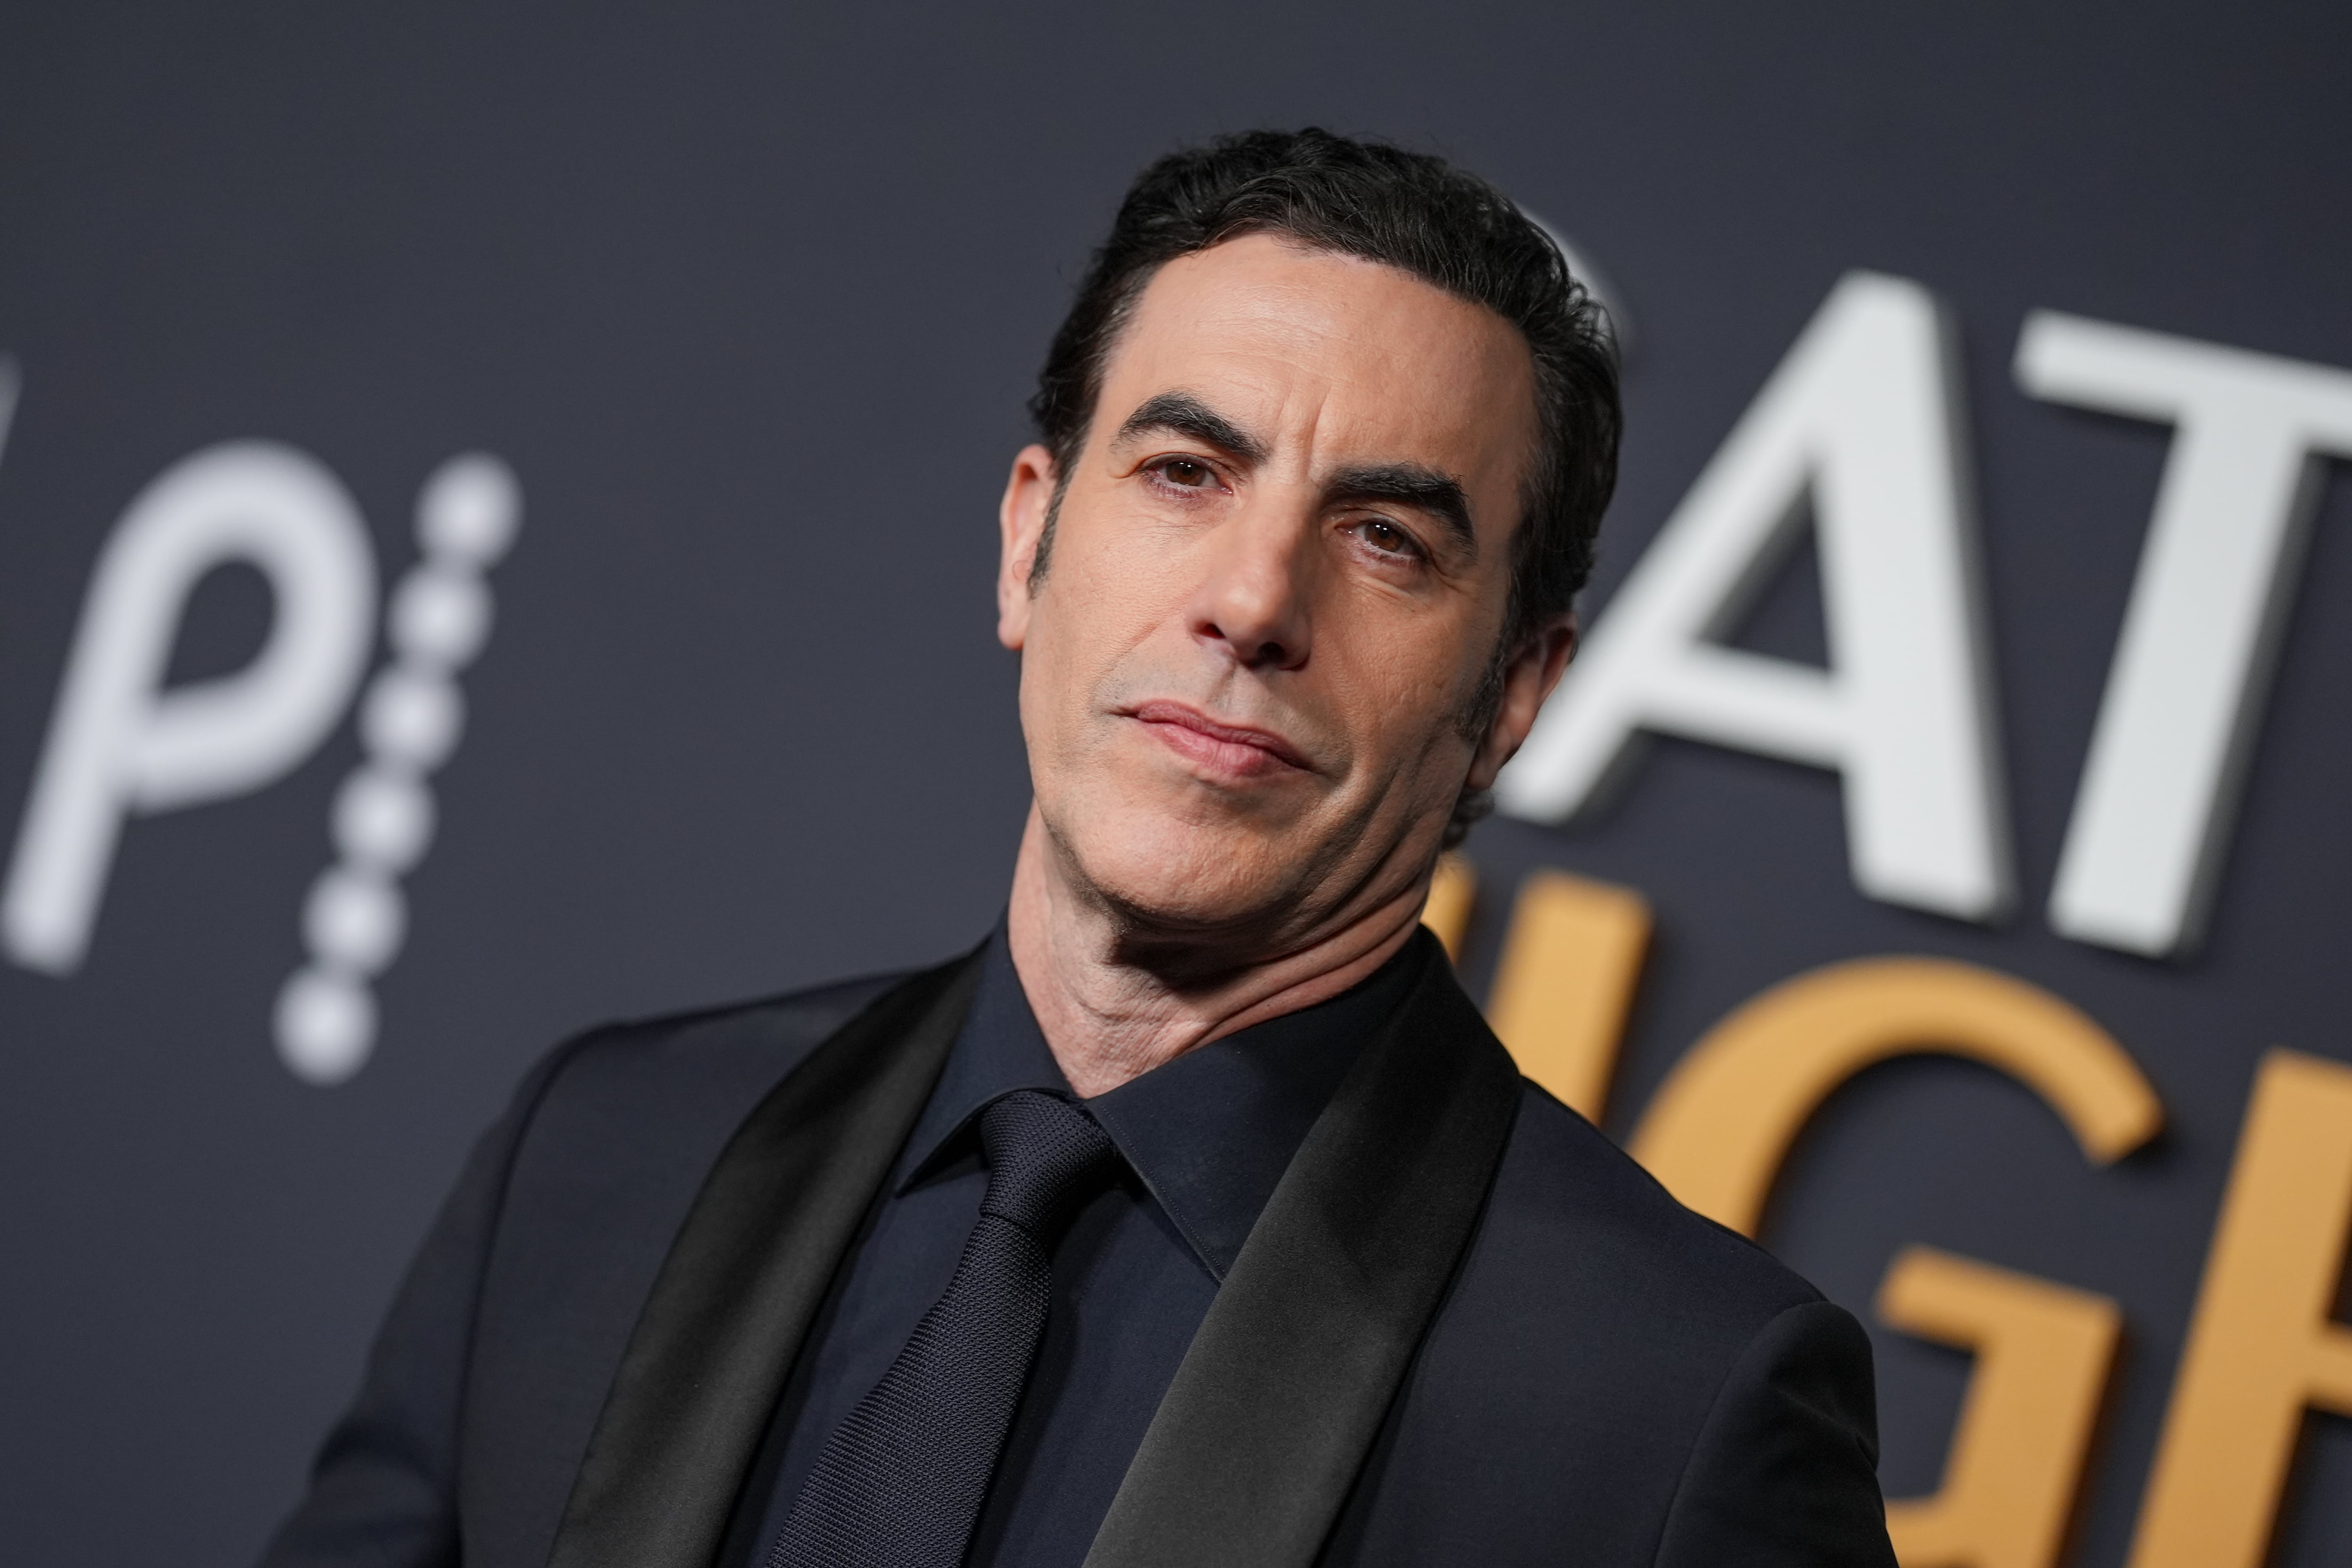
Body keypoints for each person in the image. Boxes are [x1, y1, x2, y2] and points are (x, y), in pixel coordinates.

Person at [260, 128, 1896, 1568]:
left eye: (1386, 539)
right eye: (1186, 473)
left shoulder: (1665, 1419)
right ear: (1028, 538)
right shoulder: (606, 1153)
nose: (1253, 601)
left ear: (1514, 696)